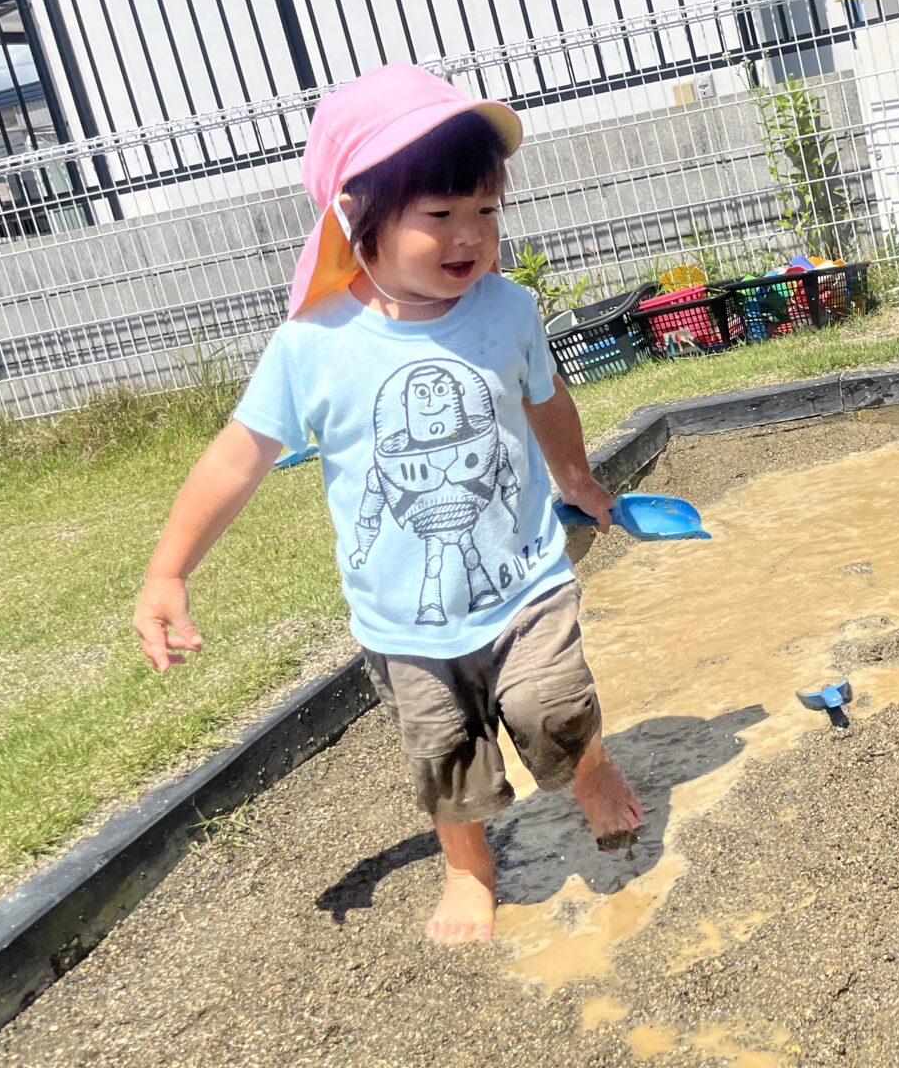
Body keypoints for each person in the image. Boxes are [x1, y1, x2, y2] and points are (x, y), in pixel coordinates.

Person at [133, 63, 643, 944]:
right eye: (438, 216)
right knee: (447, 757)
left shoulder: (507, 308)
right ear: (356, 218)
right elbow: (237, 458)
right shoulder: (314, 345)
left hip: (522, 580)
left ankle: (586, 764)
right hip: (402, 620)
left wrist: (577, 479)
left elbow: (546, 396)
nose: (469, 237)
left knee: (548, 708)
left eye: (486, 211)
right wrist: (168, 570)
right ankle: (469, 867)